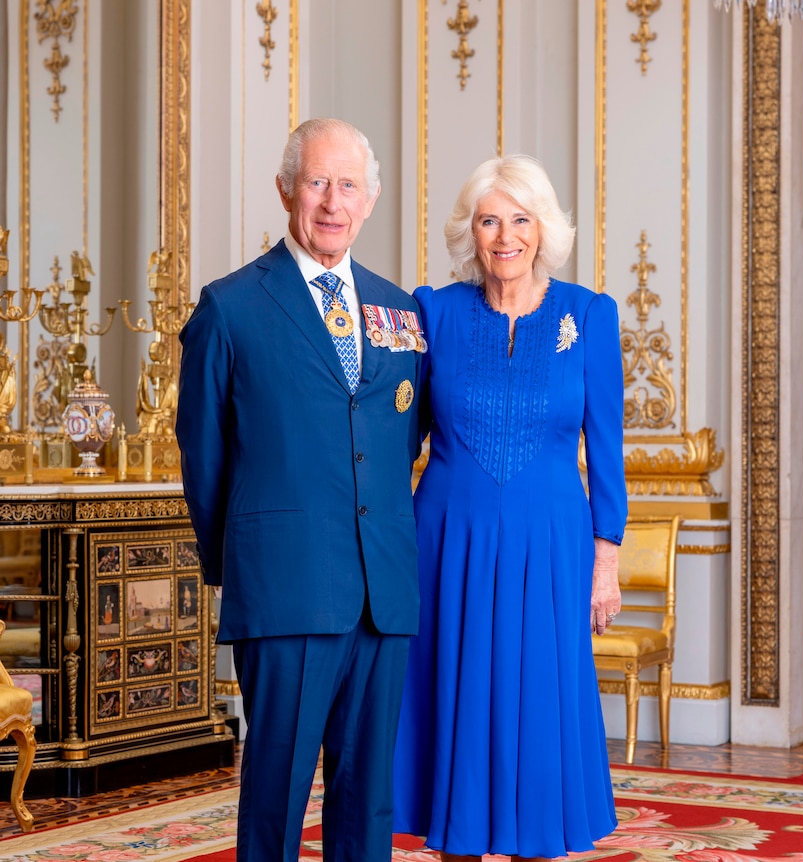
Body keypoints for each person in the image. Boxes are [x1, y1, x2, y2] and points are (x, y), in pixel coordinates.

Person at [176, 117, 424, 862]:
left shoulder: (400, 312)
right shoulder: (231, 308)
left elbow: (398, 443)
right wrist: (237, 566)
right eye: (317, 182)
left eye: (348, 185)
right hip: (283, 586)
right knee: (277, 791)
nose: (331, 201)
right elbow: (205, 454)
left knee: (367, 798)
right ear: (287, 189)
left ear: (371, 198)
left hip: (382, 590)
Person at [393, 154, 627, 859]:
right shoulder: (429, 309)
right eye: (489, 220)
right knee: (452, 699)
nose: (504, 237)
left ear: (543, 228)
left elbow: (608, 451)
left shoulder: (589, 315)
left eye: (520, 219)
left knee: (537, 712)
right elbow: (397, 434)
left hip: (550, 544)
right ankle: (455, 845)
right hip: (445, 541)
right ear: (470, 230)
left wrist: (606, 562)